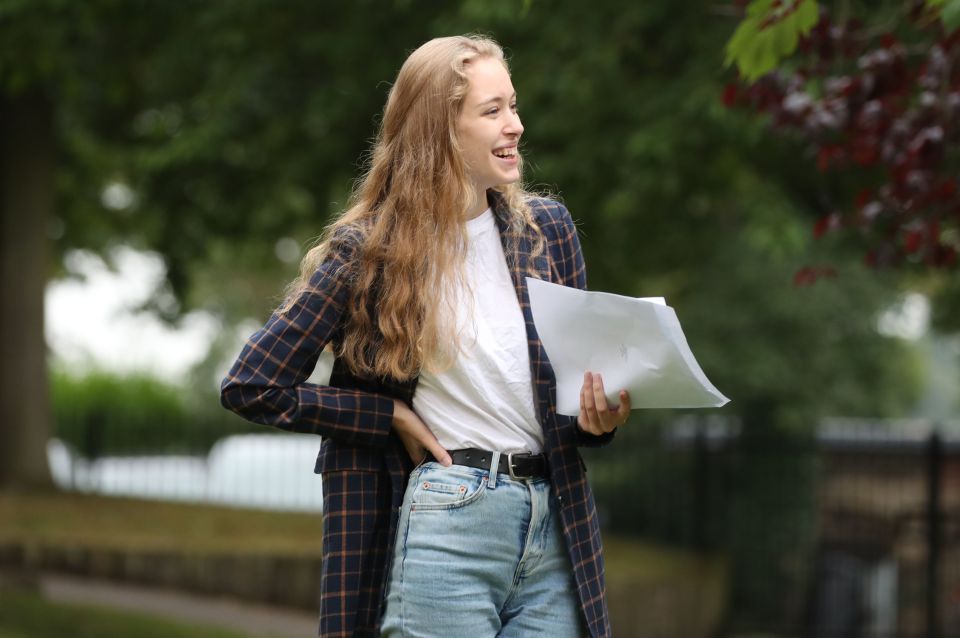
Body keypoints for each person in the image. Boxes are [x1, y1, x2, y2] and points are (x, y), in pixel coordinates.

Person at [220, 34, 630, 638]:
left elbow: (559, 401)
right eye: (492, 111)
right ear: (440, 129)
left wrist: (598, 419)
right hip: (450, 520)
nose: (515, 125)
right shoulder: (371, 253)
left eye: (513, 106)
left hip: (555, 527)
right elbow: (251, 384)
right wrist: (384, 415)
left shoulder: (548, 231)